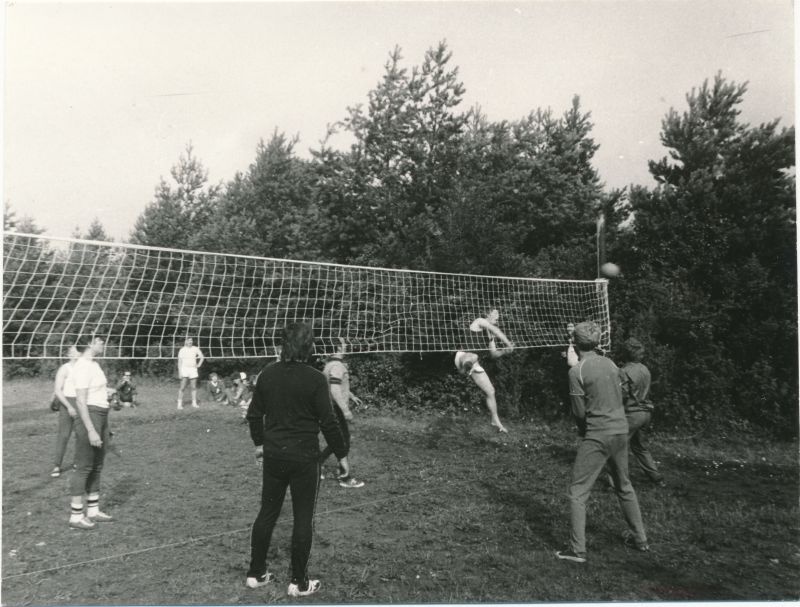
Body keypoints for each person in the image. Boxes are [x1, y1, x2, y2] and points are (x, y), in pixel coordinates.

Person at [244, 321, 349, 597]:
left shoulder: (267, 374)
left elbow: (253, 415)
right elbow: (329, 423)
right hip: (304, 458)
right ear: (309, 346)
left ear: (283, 344)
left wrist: (259, 445)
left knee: (267, 513)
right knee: (303, 518)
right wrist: (342, 455)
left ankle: (255, 574)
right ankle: (299, 583)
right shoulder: (315, 378)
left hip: (274, 455)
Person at [556, 321, 648, 563]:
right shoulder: (611, 363)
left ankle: (577, 551)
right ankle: (640, 539)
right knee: (624, 484)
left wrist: (584, 432)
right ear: (597, 342)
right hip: (620, 429)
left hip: (598, 433)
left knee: (577, 492)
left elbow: (579, 412)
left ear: (575, 342)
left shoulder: (577, 371)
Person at [68, 337, 114, 530]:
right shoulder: (82, 366)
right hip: (90, 415)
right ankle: (76, 516)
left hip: (101, 414)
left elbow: (94, 390)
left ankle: (93, 510)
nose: (103, 343)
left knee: (97, 465)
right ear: (89, 344)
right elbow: (80, 401)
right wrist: (91, 430)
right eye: (99, 341)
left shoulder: (94, 364)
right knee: (84, 466)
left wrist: (107, 392)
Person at [454, 309, 514, 433]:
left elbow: (494, 354)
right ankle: (464, 367)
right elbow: (497, 330)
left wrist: (505, 351)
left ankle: (495, 420)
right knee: (472, 356)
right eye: (495, 313)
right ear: (488, 314)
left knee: (491, 391)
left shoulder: (489, 335)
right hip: (462, 356)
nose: (498, 316)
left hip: (474, 362)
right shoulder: (480, 321)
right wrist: (508, 344)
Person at [617, 338, 664, 486]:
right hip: (646, 413)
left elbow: (622, 394)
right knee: (639, 447)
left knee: (618, 448)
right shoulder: (645, 369)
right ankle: (656, 477)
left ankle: (618, 482)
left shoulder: (624, 371)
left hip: (632, 414)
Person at [319, 339, 365, 488]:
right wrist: (345, 410)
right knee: (342, 441)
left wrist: (351, 396)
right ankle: (344, 477)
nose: (347, 346)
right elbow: (334, 389)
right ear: (339, 348)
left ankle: (318, 464)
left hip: (330, 408)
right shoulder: (337, 366)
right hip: (336, 409)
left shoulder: (329, 365)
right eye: (344, 344)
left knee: (338, 440)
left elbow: (337, 386)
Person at [51, 345, 80, 478]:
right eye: (74, 352)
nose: (77, 354)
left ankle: (77, 462)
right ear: (69, 355)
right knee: (64, 435)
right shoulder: (64, 368)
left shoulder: (84, 368)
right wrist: (69, 407)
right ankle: (57, 465)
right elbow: (58, 390)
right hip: (67, 403)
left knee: (81, 435)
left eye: (78, 351)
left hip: (81, 403)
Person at [176, 337, 205, 409]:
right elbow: (179, 362)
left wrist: (199, 365)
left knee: (193, 387)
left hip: (193, 369)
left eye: (191, 340)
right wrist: (180, 372)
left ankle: (194, 403)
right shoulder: (182, 350)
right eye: (189, 340)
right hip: (184, 369)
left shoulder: (195, 348)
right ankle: (179, 404)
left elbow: (202, 357)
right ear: (186, 341)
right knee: (182, 387)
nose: (190, 342)